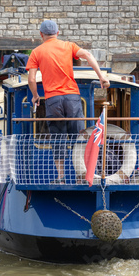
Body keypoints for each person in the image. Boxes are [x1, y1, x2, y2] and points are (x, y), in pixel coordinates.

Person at [26, 20, 110, 183]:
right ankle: (82, 176)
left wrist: (35, 95)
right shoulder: (68, 46)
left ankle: (60, 177)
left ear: (41, 35)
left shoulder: (36, 52)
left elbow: (31, 79)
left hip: (53, 100)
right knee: (79, 136)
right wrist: (101, 76)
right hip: (72, 97)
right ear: (58, 33)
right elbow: (88, 55)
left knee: (58, 138)